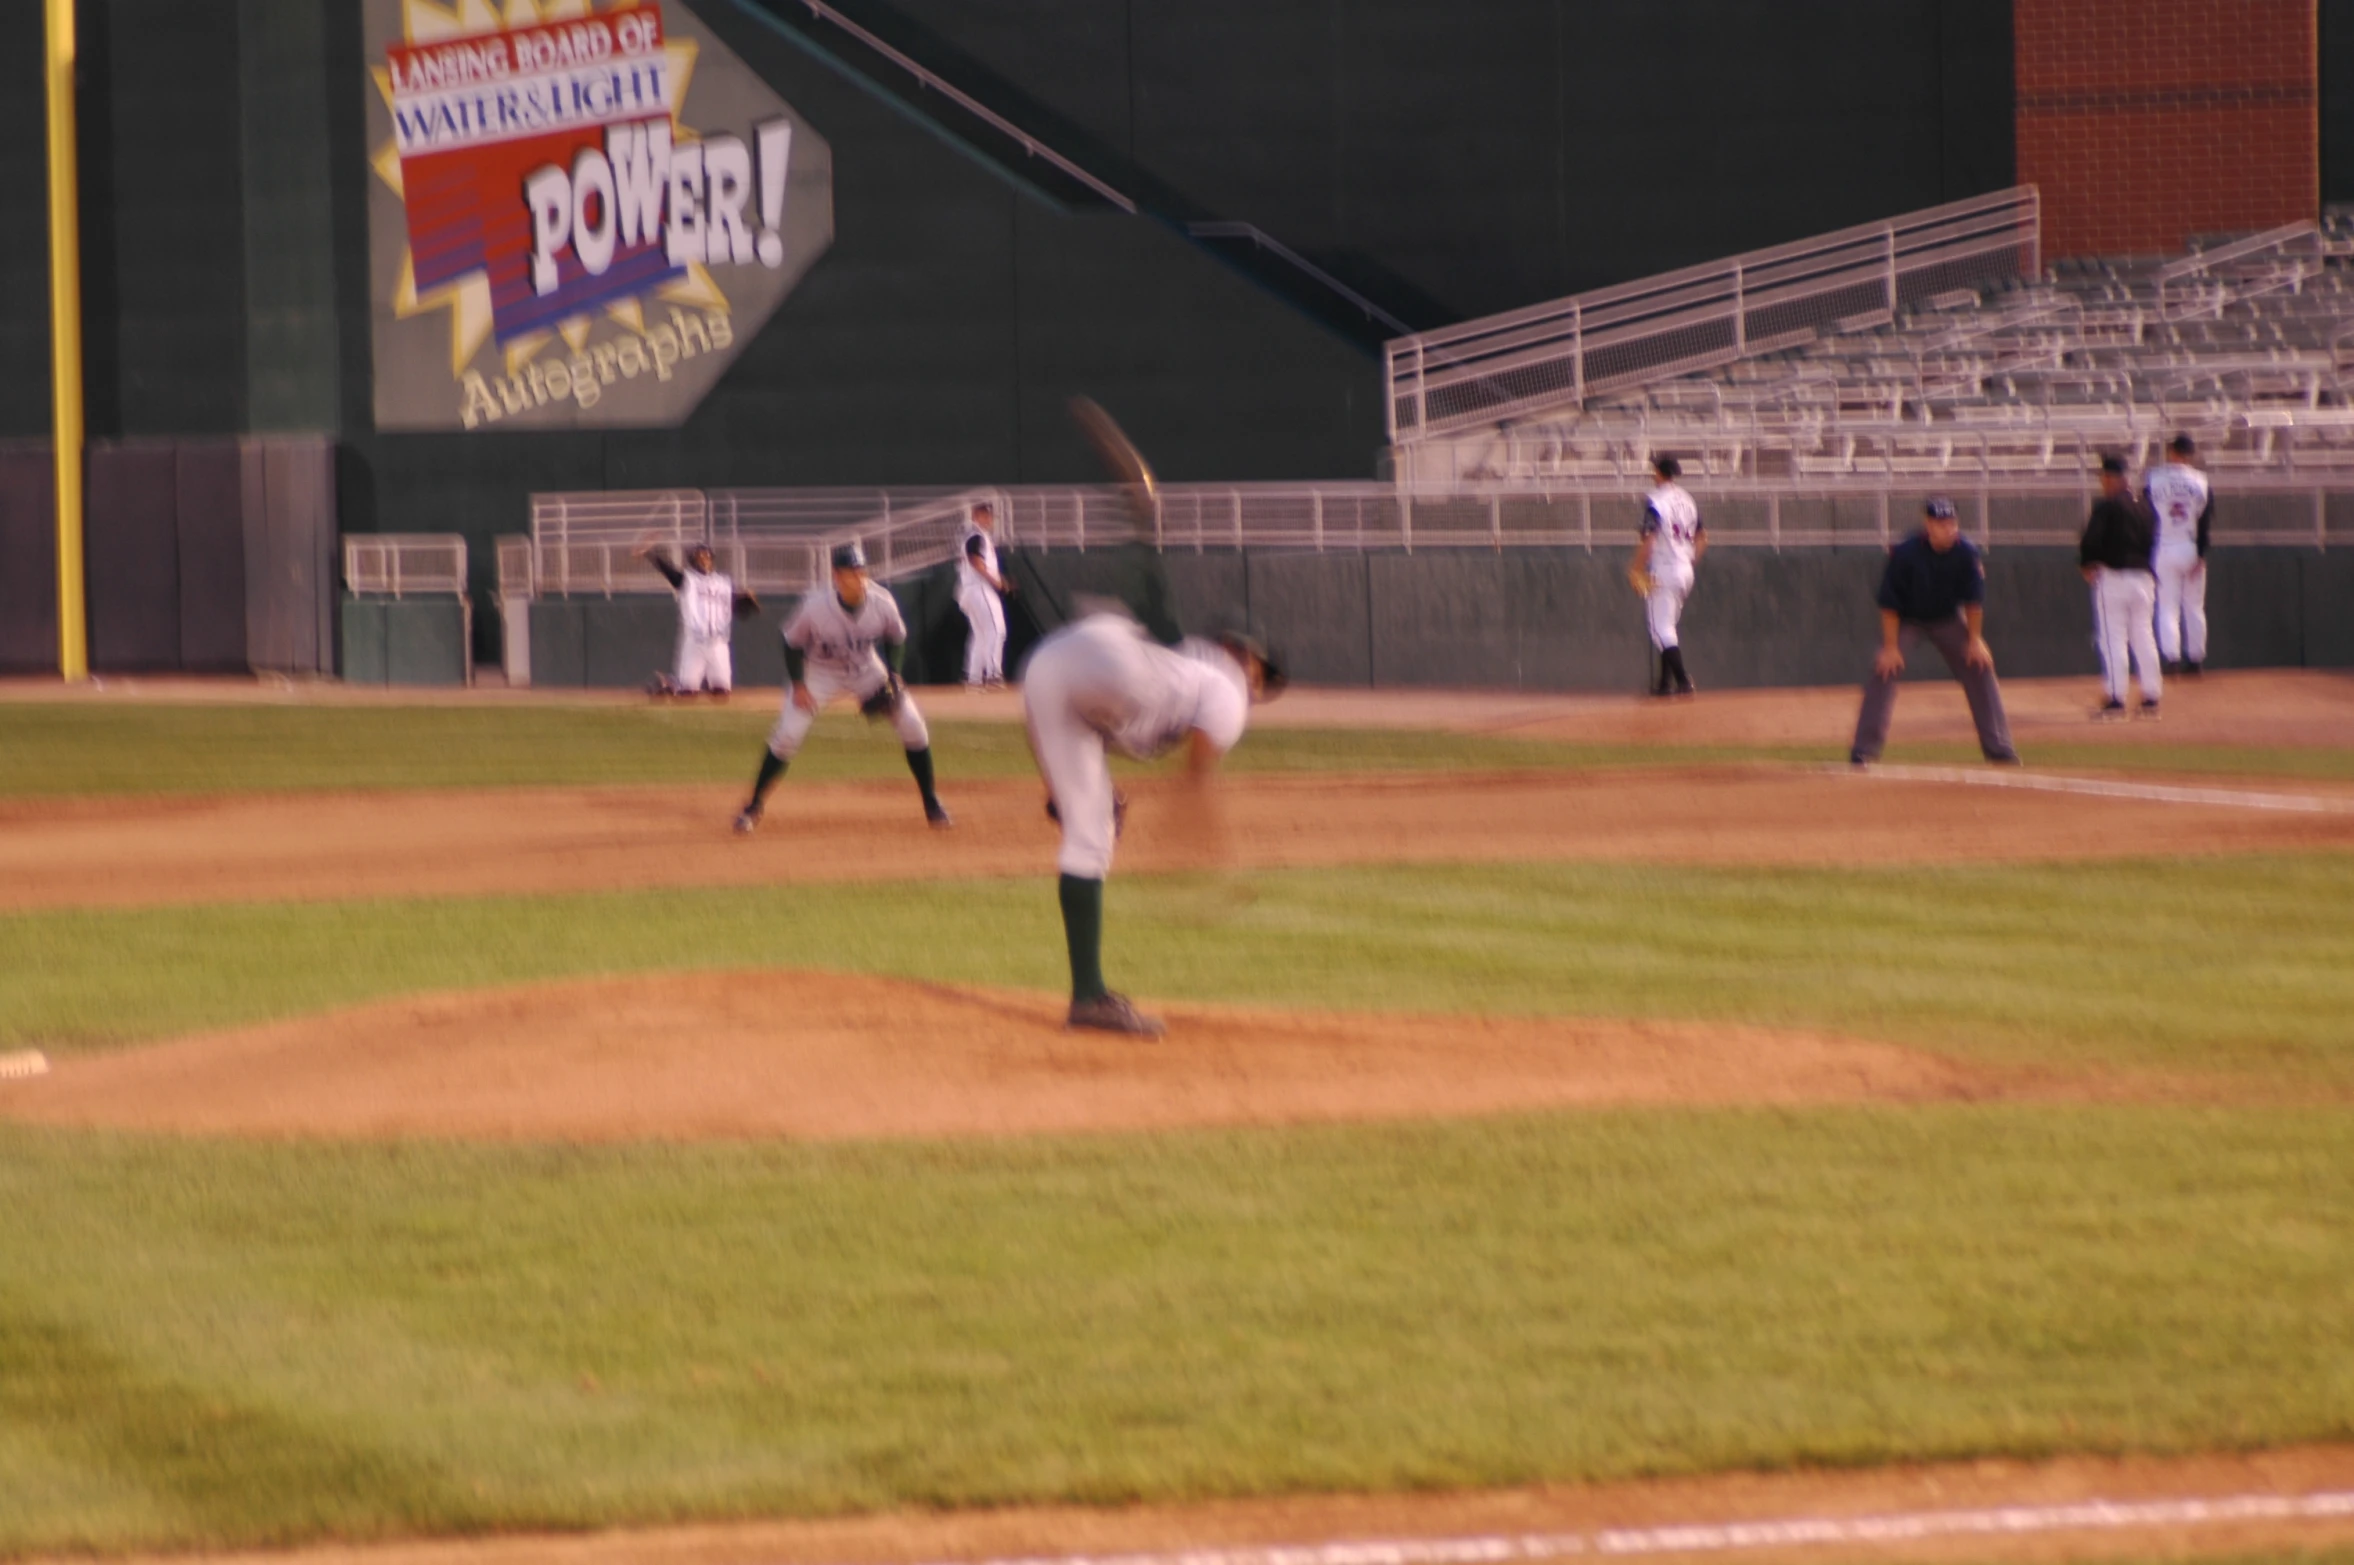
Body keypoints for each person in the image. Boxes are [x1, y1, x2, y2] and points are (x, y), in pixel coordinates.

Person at [1022, 611, 1285, 1038]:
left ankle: (1089, 998)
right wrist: (1203, 856)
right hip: (1107, 661)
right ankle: (1088, 999)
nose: (1257, 687)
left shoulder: (1185, 671)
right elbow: (1196, 774)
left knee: (1090, 836)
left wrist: (1067, 795)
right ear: (1240, 657)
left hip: (1048, 666)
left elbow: (1087, 719)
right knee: (1093, 833)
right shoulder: (1227, 686)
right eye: (1260, 671)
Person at [733, 541, 951, 833]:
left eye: (860, 570)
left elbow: (896, 637)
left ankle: (931, 802)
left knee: (913, 725)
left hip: (865, 668)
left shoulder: (881, 600)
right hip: (819, 672)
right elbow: (792, 643)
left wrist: (894, 675)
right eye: (850, 571)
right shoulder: (815, 604)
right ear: (836, 575)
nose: (858, 576)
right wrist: (799, 685)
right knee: (787, 734)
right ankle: (753, 806)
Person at [1850, 497, 2019, 766]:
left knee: (1980, 666)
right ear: (1928, 525)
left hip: (1948, 619)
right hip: (1908, 619)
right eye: (1941, 523)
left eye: (1952, 522)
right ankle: (1864, 750)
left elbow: (1974, 602)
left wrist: (1975, 641)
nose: (1948, 528)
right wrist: (1891, 648)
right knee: (1884, 668)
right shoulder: (1905, 553)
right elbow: (1889, 605)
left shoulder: (1966, 552)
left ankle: (1999, 748)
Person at [2080, 453, 2162, 720]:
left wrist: (2087, 564)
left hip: (2114, 579)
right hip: (2144, 580)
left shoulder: (2107, 506)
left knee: (2113, 639)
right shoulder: (2146, 507)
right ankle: (2151, 698)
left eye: (2105, 477)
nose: (2103, 482)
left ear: (2115, 479)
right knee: (2143, 636)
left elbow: (2090, 542)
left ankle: (2116, 699)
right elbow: (2154, 542)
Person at [636, 540, 758, 696]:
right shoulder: (688, 580)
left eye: (706, 555)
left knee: (721, 693)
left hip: (719, 643)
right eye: (700, 556)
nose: (704, 559)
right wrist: (651, 554)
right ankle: (668, 683)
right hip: (695, 642)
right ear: (693, 560)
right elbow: (669, 572)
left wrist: (747, 602)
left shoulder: (724, 583)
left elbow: (736, 609)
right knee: (687, 693)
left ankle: (703, 680)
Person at [1630, 454, 1705, 696]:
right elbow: (1704, 538)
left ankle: (1683, 681)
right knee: (1668, 627)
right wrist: (1688, 561)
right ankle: (1665, 684)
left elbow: (1650, 538)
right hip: (1685, 570)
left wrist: (1636, 568)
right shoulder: (1687, 499)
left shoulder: (1656, 500)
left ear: (1659, 473)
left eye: (1654, 469)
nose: (1652, 473)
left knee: (1659, 629)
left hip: (1665, 569)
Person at [2145, 432, 2213, 675]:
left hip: (2164, 546)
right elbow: (2206, 522)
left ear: (2171, 452)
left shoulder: (2154, 479)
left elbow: (2147, 517)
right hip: (2190, 546)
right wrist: (2201, 554)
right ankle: (2195, 661)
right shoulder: (2201, 481)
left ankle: (2171, 659)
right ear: (2191, 454)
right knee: (2194, 607)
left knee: (2167, 607)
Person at [956, 500, 1013, 689]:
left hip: (969, 590)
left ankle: (973, 678)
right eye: (984, 514)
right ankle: (993, 675)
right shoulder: (975, 535)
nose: (988, 519)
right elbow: (975, 561)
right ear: (975, 516)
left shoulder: (973, 536)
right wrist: (996, 581)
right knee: (997, 630)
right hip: (979, 588)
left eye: (989, 515)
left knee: (980, 635)